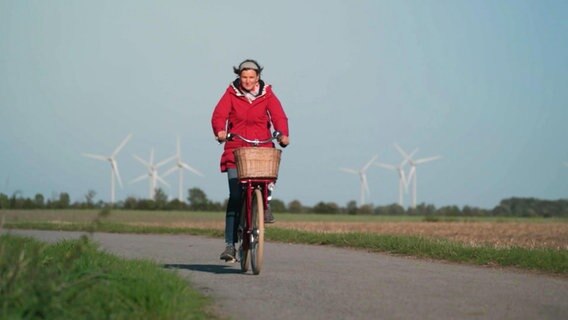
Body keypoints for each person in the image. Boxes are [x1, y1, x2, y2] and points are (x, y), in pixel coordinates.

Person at [211, 59, 289, 261]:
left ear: (258, 77)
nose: (247, 81)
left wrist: (283, 135)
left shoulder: (267, 95)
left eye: (251, 77)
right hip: (236, 150)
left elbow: (279, 116)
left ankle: (265, 203)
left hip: (262, 147)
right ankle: (230, 245)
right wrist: (220, 130)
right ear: (239, 77)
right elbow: (219, 115)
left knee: (267, 176)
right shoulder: (231, 93)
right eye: (244, 77)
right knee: (236, 196)